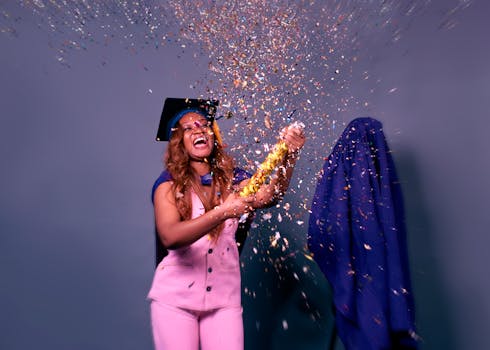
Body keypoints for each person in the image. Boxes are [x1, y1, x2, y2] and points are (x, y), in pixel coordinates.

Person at [147, 97, 305, 350]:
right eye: (189, 128)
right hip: (174, 301)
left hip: (224, 299)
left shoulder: (234, 180)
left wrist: (289, 155)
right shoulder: (168, 186)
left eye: (203, 125)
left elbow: (269, 196)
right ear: (178, 142)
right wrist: (222, 211)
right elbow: (170, 236)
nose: (199, 129)